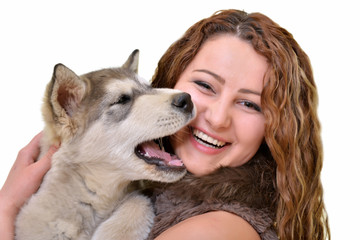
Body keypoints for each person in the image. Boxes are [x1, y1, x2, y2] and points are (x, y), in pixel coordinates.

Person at [0, 9, 330, 240]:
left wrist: (5, 209)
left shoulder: (213, 231)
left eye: (249, 104)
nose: (217, 117)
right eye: (205, 86)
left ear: (276, 127)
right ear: (171, 82)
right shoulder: (151, 190)